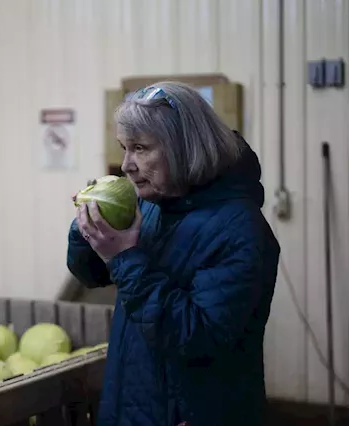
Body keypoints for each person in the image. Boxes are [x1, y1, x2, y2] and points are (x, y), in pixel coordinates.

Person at [66, 81, 280, 426]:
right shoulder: (152, 203)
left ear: (185, 148)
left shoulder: (240, 230)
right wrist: (88, 230)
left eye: (140, 148)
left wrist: (123, 257)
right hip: (132, 401)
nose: (126, 166)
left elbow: (195, 336)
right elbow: (91, 275)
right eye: (124, 148)